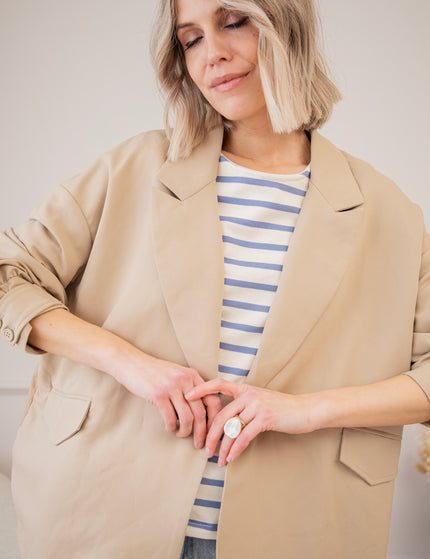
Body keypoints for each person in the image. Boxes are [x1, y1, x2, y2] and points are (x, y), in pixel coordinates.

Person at [1, 0, 429, 557]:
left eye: (233, 22)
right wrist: (134, 366)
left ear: (287, 28)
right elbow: (11, 273)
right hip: (103, 512)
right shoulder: (134, 167)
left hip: (300, 528)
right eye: (191, 39)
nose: (213, 55)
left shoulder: (388, 212)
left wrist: (304, 409)